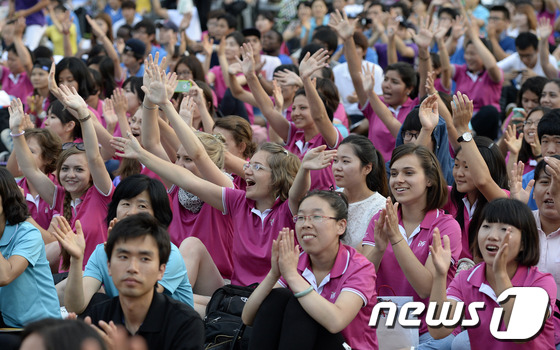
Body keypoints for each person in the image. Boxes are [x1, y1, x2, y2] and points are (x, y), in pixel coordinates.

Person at [242, 191, 378, 349]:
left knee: (302, 305)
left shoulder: (359, 267)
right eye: (300, 217)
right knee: (278, 297)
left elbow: (336, 322)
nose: (306, 224)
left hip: (345, 346)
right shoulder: (298, 260)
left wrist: (292, 275)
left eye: (316, 217)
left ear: (340, 226)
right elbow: (247, 317)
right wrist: (274, 273)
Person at [362, 143, 461, 349]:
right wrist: (379, 249)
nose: (398, 180)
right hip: (383, 328)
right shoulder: (380, 220)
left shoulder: (446, 226)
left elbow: (425, 288)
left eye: (408, 173)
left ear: (430, 180)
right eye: (394, 173)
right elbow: (361, 281)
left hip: (429, 333)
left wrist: (396, 238)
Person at [54, 174, 193, 316]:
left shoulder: (168, 253)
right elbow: (76, 307)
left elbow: (140, 302)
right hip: (125, 324)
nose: (131, 212)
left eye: (142, 206)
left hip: (171, 329)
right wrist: (76, 260)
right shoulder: (102, 251)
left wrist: (117, 254)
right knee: (95, 302)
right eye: (126, 204)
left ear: (157, 215)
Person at [428, 198, 556, 349]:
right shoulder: (465, 279)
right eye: (486, 226)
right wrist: (440, 276)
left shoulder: (540, 283)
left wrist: (500, 275)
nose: (492, 236)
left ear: (524, 242)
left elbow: (521, 333)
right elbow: (438, 330)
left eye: (504, 229)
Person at [11, 84, 113, 270]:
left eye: (79, 170)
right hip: (68, 280)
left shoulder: (101, 196)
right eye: (65, 169)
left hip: (97, 283)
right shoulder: (61, 196)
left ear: (91, 174)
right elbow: (30, 170)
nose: (70, 175)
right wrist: (17, 132)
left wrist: (83, 114)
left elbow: (95, 157)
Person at [83, 213, 204, 350]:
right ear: (109, 266)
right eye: (123, 257)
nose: (132, 268)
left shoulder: (185, 324)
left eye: (144, 259)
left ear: (161, 271)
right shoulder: (97, 318)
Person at [242, 44, 341, 190]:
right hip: (292, 204)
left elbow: (319, 116)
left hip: (322, 205)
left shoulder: (328, 138)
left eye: (303, 108)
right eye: (293, 108)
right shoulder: (295, 134)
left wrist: (305, 80)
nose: (296, 113)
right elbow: (268, 110)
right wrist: (250, 76)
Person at [0, 165, 60, 328]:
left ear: (5, 198)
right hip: (8, 323)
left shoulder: (27, 233)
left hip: (41, 328)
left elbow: (5, 276)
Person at [333, 135, 388, 248]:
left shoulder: (380, 207)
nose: (337, 167)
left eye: (345, 161)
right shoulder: (331, 197)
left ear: (367, 168)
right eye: (335, 160)